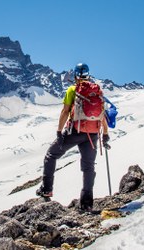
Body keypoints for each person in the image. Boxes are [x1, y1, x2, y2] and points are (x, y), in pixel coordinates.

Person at [36, 63, 110, 211]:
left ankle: (46, 189)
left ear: (75, 76)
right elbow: (102, 115)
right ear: (88, 75)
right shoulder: (97, 91)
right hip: (93, 134)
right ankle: (86, 203)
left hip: (74, 132)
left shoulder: (72, 89)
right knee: (88, 167)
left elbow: (65, 111)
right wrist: (105, 134)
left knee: (51, 155)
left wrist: (59, 131)